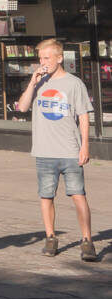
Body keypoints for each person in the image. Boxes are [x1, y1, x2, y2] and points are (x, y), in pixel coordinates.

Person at [15, 38, 97, 262]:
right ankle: (50, 237)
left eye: (47, 58)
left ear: (60, 58)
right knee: (46, 196)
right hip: (44, 150)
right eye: (40, 58)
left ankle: (87, 240)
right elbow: (22, 107)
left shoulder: (74, 84)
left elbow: (83, 116)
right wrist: (32, 83)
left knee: (78, 195)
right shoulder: (39, 83)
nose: (43, 62)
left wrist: (85, 146)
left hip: (70, 150)